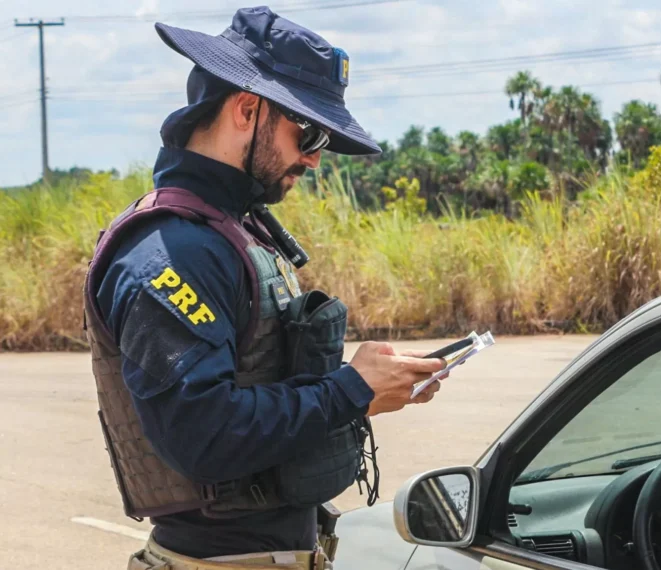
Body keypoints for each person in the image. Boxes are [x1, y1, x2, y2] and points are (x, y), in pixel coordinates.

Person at [82, 7, 448, 570]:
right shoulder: (172, 253)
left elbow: (261, 388)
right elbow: (203, 435)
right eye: (307, 131)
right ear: (247, 109)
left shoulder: (231, 229)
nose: (315, 157)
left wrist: (369, 388)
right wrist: (349, 391)